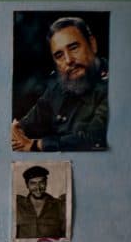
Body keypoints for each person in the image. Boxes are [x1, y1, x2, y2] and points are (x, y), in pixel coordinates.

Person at [11, 16, 109, 152]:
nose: (68, 60)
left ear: (92, 44)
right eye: (59, 55)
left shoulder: (114, 86)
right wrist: (16, 130)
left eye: (74, 48)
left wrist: (38, 145)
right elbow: (29, 123)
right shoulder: (59, 87)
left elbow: (95, 138)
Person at [15, 165, 66, 239]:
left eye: (41, 183)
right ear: (27, 185)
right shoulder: (18, 206)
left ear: (46, 183)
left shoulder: (59, 205)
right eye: (33, 183)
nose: (38, 188)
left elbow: (65, 236)